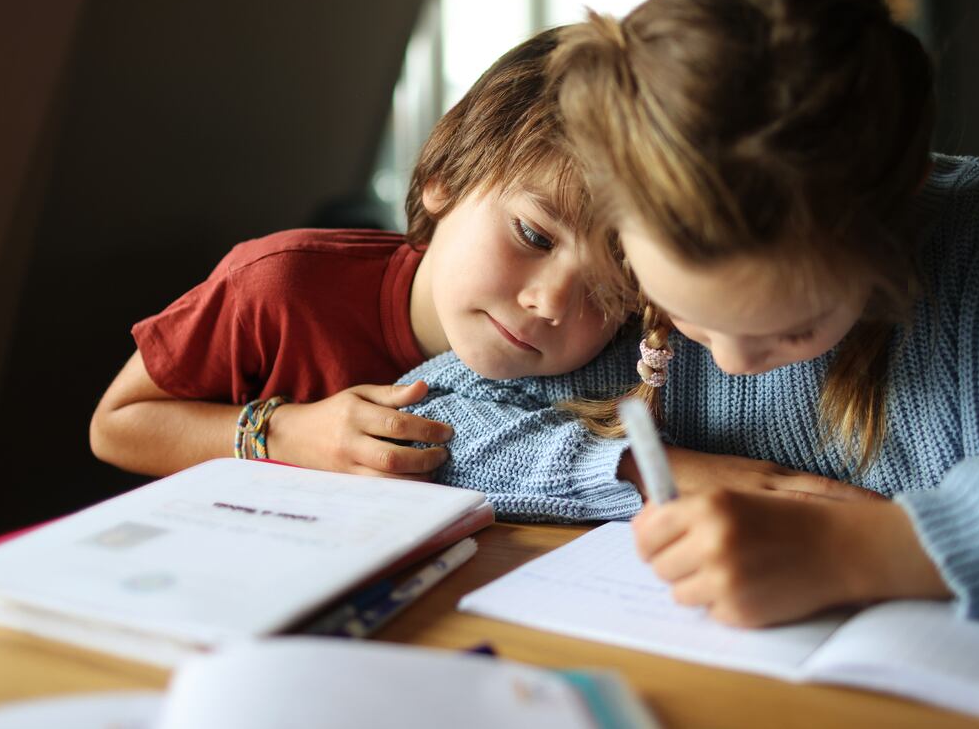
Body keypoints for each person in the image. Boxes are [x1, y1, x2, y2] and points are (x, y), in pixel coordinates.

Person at [393, 0, 979, 628]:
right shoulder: (614, 289)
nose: (735, 364)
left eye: (796, 327)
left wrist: (864, 551)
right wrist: (629, 469)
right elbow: (431, 421)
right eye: (689, 315)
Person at [89, 28, 622, 479]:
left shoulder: (623, 365)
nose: (552, 303)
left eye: (608, 288)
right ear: (446, 177)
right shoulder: (280, 287)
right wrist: (283, 434)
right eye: (534, 236)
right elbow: (115, 425)